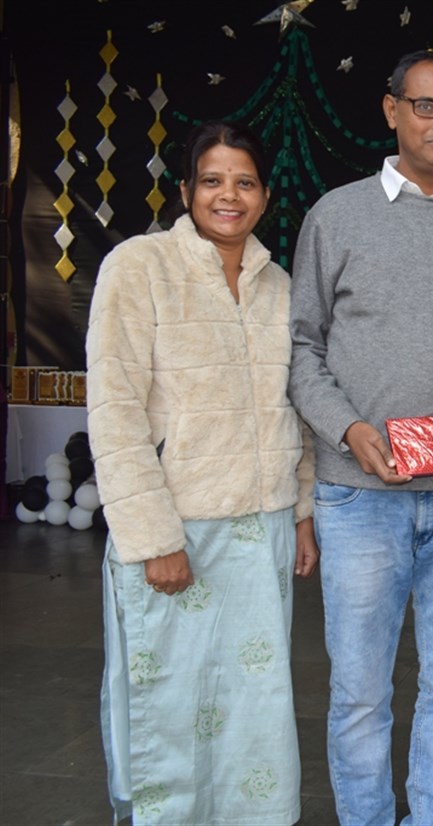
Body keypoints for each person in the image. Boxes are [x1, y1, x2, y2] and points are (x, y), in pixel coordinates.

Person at [288, 49, 433, 826]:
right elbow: (301, 346)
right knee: (359, 693)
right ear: (391, 110)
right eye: (426, 105)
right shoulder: (336, 216)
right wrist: (347, 428)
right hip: (359, 500)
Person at [87, 120, 318, 825]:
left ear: (265, 196)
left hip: (262, 531)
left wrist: (301, 513)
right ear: (185, 189)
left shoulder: (279, 285)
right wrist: (154, 538)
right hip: (175, 530)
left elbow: (295, 408)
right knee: (172, 705)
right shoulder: (140, 266)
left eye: (244, 182)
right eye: (212, 180)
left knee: (255, 704)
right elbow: (115, 409)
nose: (229, 196)